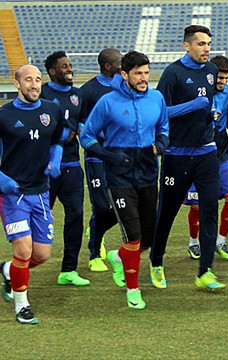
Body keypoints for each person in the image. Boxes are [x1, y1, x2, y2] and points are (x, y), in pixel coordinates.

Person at [80, 51, 169, 309]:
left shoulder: (157, 98)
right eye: (138, 73)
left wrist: (161, 144)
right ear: (124, 75)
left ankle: (119, 257)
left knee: (148, 237)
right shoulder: (108, 102)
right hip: (119, 177)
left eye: (146, 73)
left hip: (148, 173)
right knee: (133, 235)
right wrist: (109, 155)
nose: (143, 78)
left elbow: (164, 127)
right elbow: (87, 137)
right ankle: (133, 290)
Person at [150, 25, 225, 292]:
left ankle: (205, 271)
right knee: (167, 212)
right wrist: (192, 106)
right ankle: (156, 261)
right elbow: (158, 112)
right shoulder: (172, 73)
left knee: (209, 210)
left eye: (209, 43)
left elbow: (209, 102)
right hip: (177, 155)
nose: (207, 49)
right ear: (187, 45)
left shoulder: (212, 71)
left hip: (206, 152)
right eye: (201, 44)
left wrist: (211, 113)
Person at [0, 64, 64, 324]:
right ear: (17, 84)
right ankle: (21, 305)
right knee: (24, 251)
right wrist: (2, 180)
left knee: (41, 255)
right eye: (28, 80)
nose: (34, 84)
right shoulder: (3, 116)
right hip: (12, 195)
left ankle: (7, 270)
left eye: (38, 79)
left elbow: (57, 140)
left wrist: (56, 159)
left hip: (40, 192)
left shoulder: (52, 110)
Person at [183, 55, 228, 261]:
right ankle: (194, 242)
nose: (223, 82)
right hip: (197, 153)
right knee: (197, 205)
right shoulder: (198, 93)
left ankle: (221, 241)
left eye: (226, 78)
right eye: (220, 78)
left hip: (221, 153)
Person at [40, 51, 89, 286]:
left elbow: (84, 120)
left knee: (76, 216)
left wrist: (80, 128)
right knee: (40, 218)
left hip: (71, 166)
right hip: (45, 169)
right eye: (64, 66)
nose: (69, 69)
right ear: (52, 71)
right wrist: (59, 134)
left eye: (70, 65)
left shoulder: (77, 95)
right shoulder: (42, 94)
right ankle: (25, 264)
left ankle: (69, 269)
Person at [79, 48, 123, 272]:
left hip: (120, 157)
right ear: (108, 66)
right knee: (102, 208)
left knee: (122, 207)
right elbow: (79, 123)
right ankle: (94, 253)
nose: (123, 64)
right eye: (119, 61)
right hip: (97, 158)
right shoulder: (89, 90)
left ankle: (96, 228)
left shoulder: (124, 87)